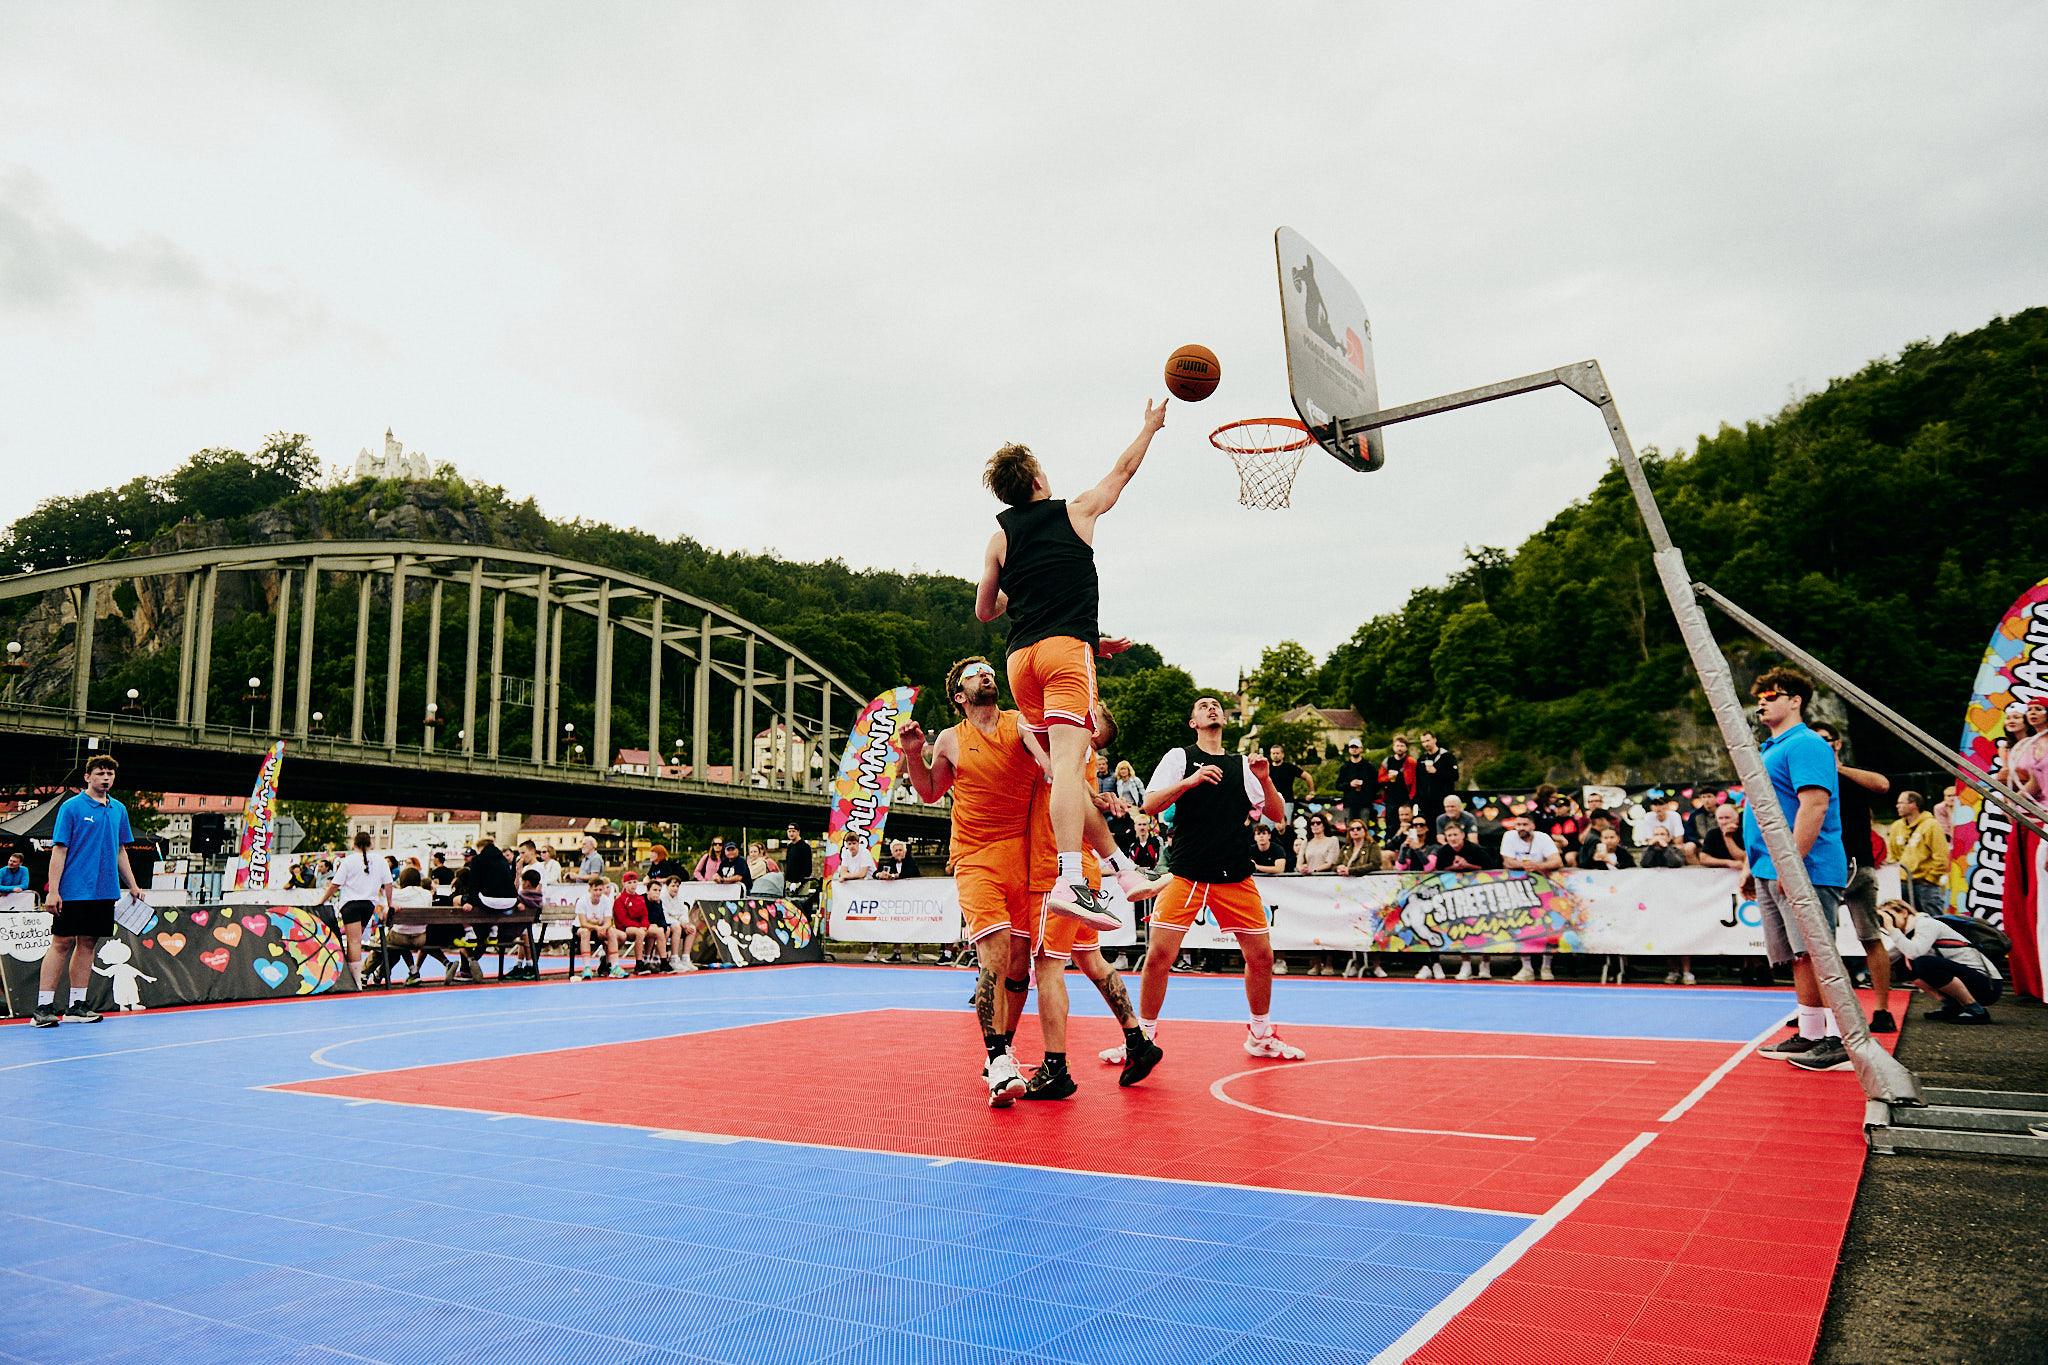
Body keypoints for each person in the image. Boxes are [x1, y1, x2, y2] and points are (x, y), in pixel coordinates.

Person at [899, 656, 1152, 1104]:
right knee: (1009, 959)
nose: (986, 675)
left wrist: (1091, 791)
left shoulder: (1020, 723)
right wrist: (912, 754)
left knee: (1033, 964)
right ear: (959, 695)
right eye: (974, 674)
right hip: (979, 857)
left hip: (1035, 862)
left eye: (989, 670)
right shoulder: (951, 738)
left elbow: (1055, 768)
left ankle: (1042, 1058)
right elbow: (930, 791)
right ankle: (1002, 1058)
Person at [975, 400, 1167, 933]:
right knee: (1065, 768)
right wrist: (1149, 426)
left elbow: (985, 610)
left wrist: (1026, 594)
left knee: (1066, 774)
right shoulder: (1075, 511)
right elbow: (1123, 471)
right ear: (1038, 479)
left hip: (1020, 660)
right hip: (1063, 653)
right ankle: (1070, 881)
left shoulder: (999, 538)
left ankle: (1122, 870)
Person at [1138, 694, 1307, 1067]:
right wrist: (1190, 782)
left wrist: (1265, 779)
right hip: (1187, 872)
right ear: (1193, 723)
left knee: (1261, 957)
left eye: (1215, 704)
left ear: (1225, 720)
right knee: (1159, 956)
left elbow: (1277, 815)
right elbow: (1149, 805)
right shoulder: (1179, 758)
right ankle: (1142, 1039)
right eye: (1202, 705)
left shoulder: (1244, 765)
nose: (1211, 707)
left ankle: (1260, 1035)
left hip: (1233, 873)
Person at [1743, 667, 1856, 1073]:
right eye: (1759, 698)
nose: (1762, 703)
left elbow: (1814, 805)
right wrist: (1753, 865)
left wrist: (1790, 864)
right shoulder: (1771, 749)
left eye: (1771, 696)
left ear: (1795, 701)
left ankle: (1842, 1039)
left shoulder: (1807, 744)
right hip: (1773, 865)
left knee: (1818, 952)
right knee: (1800, 955)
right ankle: (1811, 1033)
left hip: (1805, 866)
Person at [34, 755, 146, 1027]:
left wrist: (132, 884)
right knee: (62, 943)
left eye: (110, 774)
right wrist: (53, 891)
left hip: (104, 891)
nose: (105, 778)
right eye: (100, 773)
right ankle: (43, 1008)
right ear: (87, 777)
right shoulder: (71, 807)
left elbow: (120, 849)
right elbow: (59, 850)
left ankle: (77, 1006)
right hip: (73, 890)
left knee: (87, 944)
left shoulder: (118, 809)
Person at [1811, 720, 1897, 1032]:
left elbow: (1883, 785)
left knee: (1869, 937)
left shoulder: (1849, 776)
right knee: (1820, 945)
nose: (1821, 744)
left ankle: (1882, 1010)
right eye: (1815, 740)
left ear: (1837, 743)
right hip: (1823, 867)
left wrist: (1839, 768)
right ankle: (1819, 1011)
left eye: (1826, 739)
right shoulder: (1809, 777)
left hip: (1855, 866)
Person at [1877, 898, 2002, 1024]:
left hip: (1988, 985)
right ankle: (1953, 1007)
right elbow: (1887, 958)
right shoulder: (1909, 934)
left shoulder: (1926, 924)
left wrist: (1891, 928)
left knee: (1923, 963)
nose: (1887, 920)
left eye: (1889, 915)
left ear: (1904, 912)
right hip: (1971, 980)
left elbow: (1914, 953)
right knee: (1906, 967)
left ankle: (1975, 1009)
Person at [317, 830, 391, 984]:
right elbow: (388, 884)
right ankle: (356, 976)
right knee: (357, 940)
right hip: (368, 905)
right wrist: (390, 904)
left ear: (354, 843)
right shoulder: (380, 860)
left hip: (351, 905)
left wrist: (322, 900)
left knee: (353, 942)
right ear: (371, 843)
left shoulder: (349, 861)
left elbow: (335, 884)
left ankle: (355, 980)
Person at [1498, 811, 1562, 982]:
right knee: (1521, 925)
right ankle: (1526, 968)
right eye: (1518, 824)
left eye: (1525, 824)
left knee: (1548, 926)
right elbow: (1508, 861)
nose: (1521, 828)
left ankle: (1546, 967)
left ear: (1533, 825)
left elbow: (1557, 861)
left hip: (1543, 888)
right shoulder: (1509, 837)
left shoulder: (1543, 838)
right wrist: (1526, 865)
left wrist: (1538, 866)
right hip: (1518, 889)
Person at [1886, 790, 1951, 918]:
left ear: (1913, 805)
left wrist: (1930, 879)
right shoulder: (1896, 826)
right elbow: (1893, 855)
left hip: (1926, 884)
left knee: (1935, 920)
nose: (1897, 806)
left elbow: (1942, 856)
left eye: (1901, 803)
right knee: (1907, 921)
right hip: (1903, 884)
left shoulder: (1931, 825)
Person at [613, 871, 660, 973]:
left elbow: (644, 915)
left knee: (656, 930)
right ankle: (639, 964)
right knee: (640, 932)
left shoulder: (640, 898)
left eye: (634, 882)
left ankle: (652, 959)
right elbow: (623, 920)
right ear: (624, 884)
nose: (632, 885)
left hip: (639, 926)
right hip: (625, 928)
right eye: (629, 883)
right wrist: (640, 926)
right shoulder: (620, 900)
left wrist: (645, 926)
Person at [576, 877, 622, 978]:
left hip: (599, 928)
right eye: (595, 890)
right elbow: (583, 923)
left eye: (600, 890)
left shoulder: (606, 901)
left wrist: (603, 928)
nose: (598, 892)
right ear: (590, 889)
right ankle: (587, 967)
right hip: (581, 928)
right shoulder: (582, 901)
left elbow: (608, 922)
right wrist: (597, 927)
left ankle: (615, 966)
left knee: (611, 931)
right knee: (585, 932)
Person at [1377, 736, 1417, 845]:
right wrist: (1388, 778)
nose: (1399, 748)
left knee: (1408, 823)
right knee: (1391, 824)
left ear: (1406, 748)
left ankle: (1411, 846)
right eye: (1397, 745)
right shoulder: (1388, 761)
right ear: (1393, 747)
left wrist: (1412, 797)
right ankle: (1391, 845)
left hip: (1406, 798)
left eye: (1402, 746)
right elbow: (1380, 779)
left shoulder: (1411, 761)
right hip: (1391, 798)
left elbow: (1413, 780)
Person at [1413, 732, 1459, 820]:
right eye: (1423, 742)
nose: (1426, 744)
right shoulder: (1422, 759)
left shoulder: (1447, 756)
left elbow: (1455, 776)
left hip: (1443, 801)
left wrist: (1436, 772)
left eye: (1428, 740)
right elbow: (1418, 781)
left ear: (1434, 740)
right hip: (1426, 803)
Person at [782, 824, 814, 891]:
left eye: (793, 831)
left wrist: (800, 882)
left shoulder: (805, 847)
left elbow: (808, 867)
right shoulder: (790, 846)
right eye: (789, 831)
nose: (791, 833)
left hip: (801, 883)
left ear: (798, 832)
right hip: (789, 882)